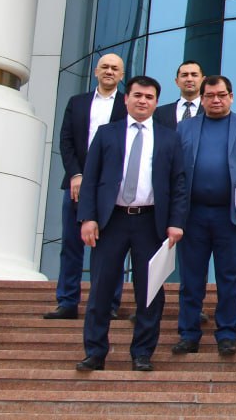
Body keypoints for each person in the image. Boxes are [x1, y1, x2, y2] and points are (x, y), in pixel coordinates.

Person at [75, 75, 187, 373]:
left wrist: (176, 222)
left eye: (149, 97)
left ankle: (142, 353)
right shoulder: (106, 134)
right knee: (101, 289)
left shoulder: (169, 138)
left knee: (150, 293)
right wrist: (88, 218)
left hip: (150, 222)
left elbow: (178, 183)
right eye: (137, 95)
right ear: (126, 99)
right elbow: (91, 179)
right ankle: (95, 352)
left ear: (156, 102)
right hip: (111, 221)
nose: (142, 101)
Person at [171, 75, 236, 357]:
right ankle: (188, 333)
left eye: (221, 95)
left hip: (230, 216)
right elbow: (174, 171)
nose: (216, 100)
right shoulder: (185, 127)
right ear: (202, 99)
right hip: (192, 215)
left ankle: (227, 333)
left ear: (231, 97)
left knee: (229, 277)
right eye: (209, 96)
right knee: (191, 278)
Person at [47, 53, 127, 321]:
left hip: (112, 188)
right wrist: (76, 174)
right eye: (105, 67)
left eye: (114, 68)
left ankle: (108, 303)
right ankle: (67, 301)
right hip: (77, 185)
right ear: (96, 71)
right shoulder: (77, 102)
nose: (109, 71)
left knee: (110, 249)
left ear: (121, 75)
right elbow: (66, 141)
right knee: (71, 244)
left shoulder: (126, 105)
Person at [157, 60, 204, 128]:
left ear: (203, 80)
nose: (189, 79)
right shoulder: (160, 112)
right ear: (177, 81)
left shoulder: (210, 111)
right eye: (184, 75)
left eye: (194, 75)